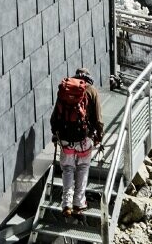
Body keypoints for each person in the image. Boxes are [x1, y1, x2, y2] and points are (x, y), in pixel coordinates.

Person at [50, 67, 104, 216]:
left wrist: (56, 134)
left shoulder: (65, 90)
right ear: (88, 77)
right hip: (84, 139)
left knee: (67, 169)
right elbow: (99, 120)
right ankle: (79, 203)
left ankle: (66, 203)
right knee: (83, 167)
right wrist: (99, 136)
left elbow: (54, 117)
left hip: (66, 139)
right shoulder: (92, 91)